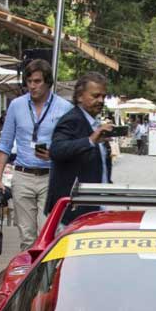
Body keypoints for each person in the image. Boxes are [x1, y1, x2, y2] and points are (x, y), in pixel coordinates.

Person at [0, 58, 70, 249]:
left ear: (48, 82)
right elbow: (5, 143)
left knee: (48, 233)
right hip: (23, 175)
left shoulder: (64, 107)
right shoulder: (16, 105)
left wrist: (54, 154)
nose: (32, 86)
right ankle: (30, 269)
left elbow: (70, 146)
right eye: (29, 81)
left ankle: (48, 269)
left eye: (37, 81)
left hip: (51, 176)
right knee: (27, 237)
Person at [47, 71, 115, 225]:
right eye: (95, 96)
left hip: (94, 206)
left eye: (103, 96)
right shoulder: (72, 120)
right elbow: (56, 150)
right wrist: (90, 141)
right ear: (79, 96)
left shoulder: (94, 124)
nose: (101, 100)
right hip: (74, 212)